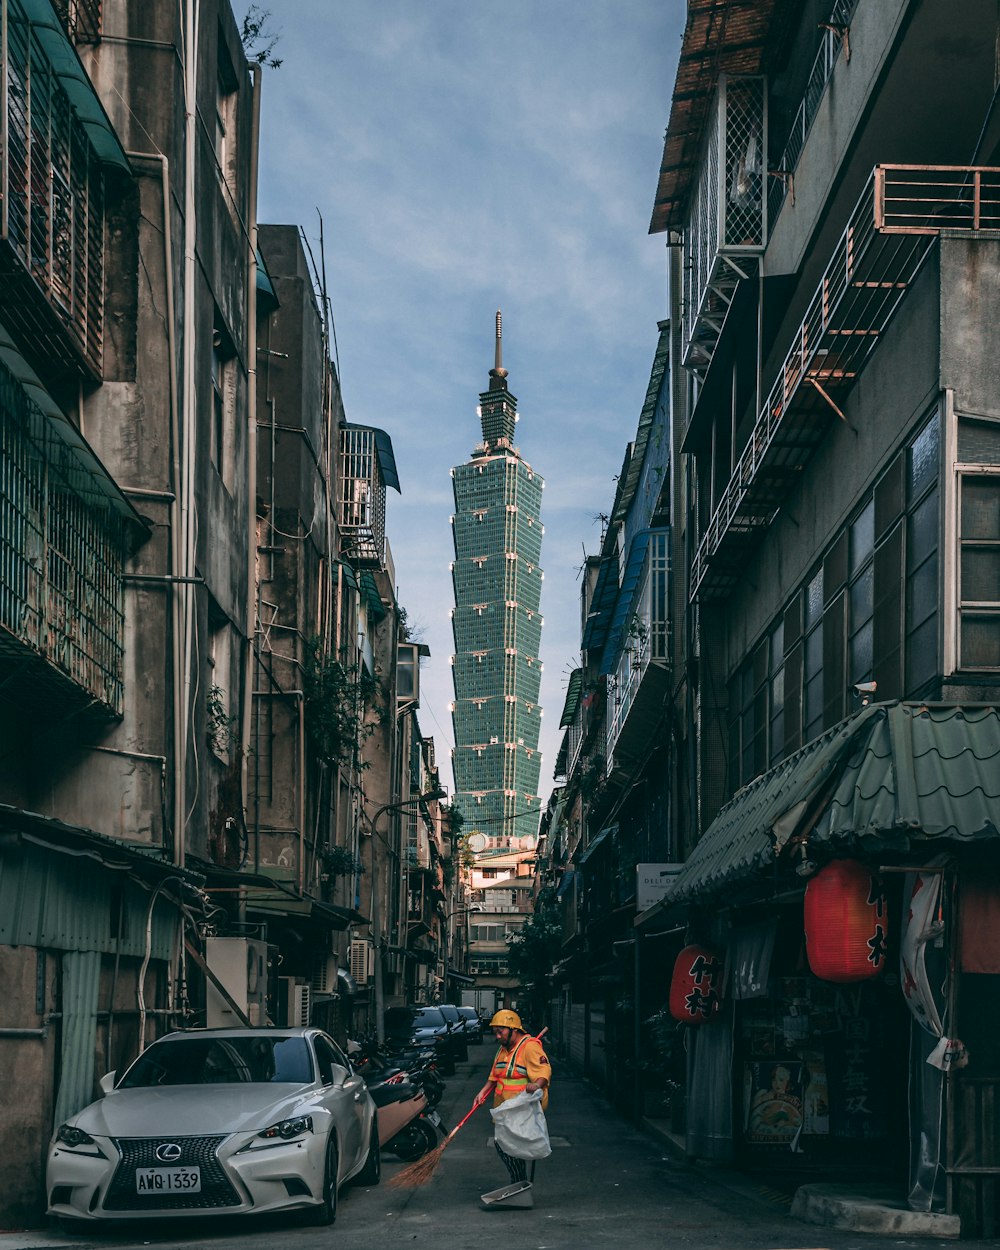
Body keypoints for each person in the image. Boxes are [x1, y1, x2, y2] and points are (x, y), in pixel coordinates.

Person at [476, 1009, 550, 1187]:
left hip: (522, 1110)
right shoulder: (502, 1050)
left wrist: (536, 1085)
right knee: (506, 1145)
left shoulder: (530, 1047)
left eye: (500, 1031)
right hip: (504, 1108)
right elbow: (495, 1075)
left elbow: (544, 1071)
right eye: (496, 1032)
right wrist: (482, 1092)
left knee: (506, 1145)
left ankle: (519, 1182)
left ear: (513, 1029)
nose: (498, 1035)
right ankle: (519, 1182)